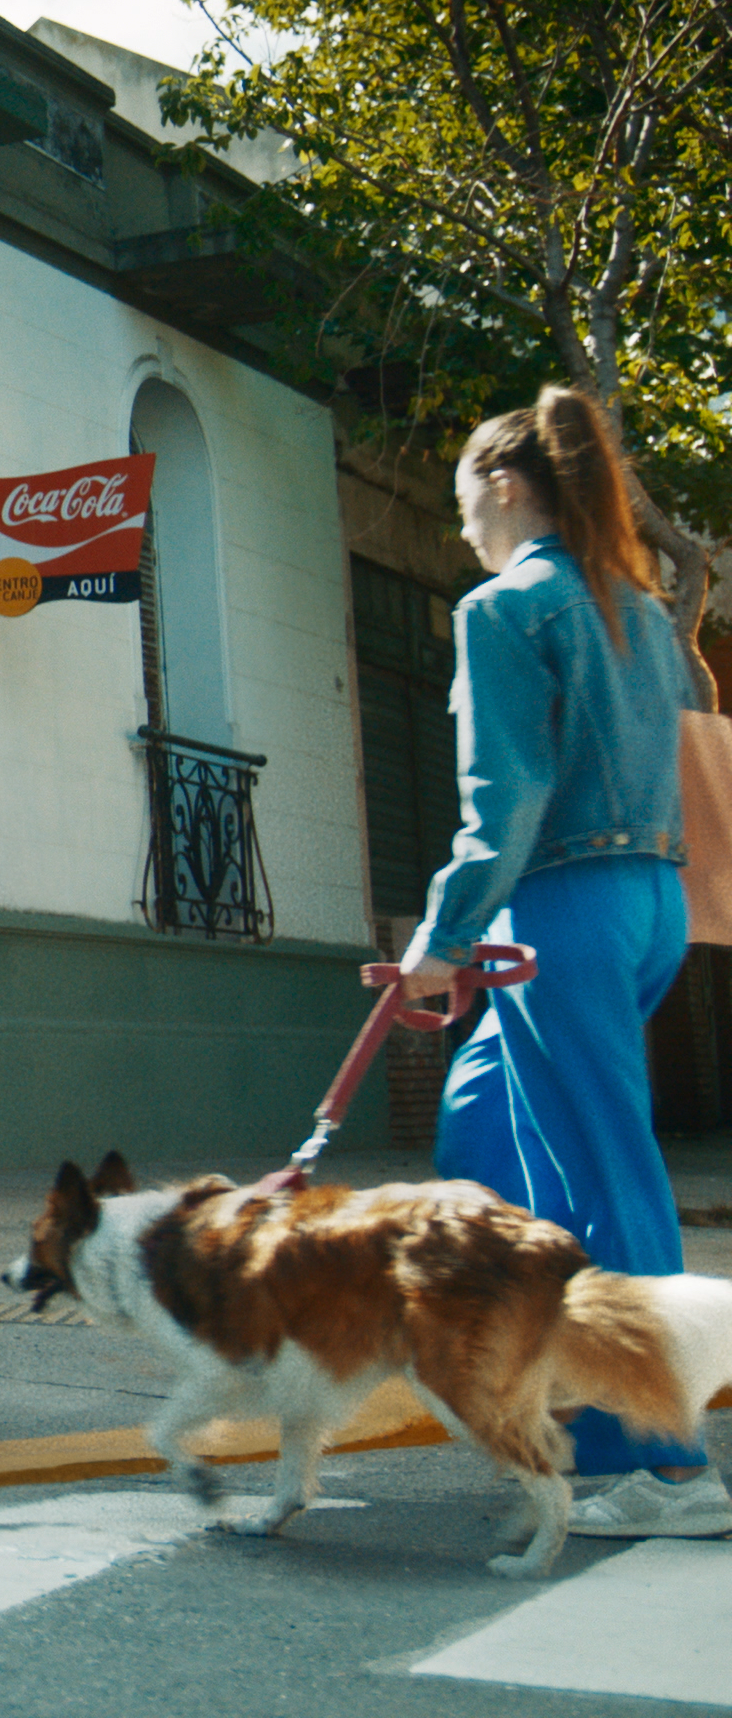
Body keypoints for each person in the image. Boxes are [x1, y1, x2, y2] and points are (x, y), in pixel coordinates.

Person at [391, 386, 714, 1536]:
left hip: (559, 908)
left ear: (506, 483)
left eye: (462, 497)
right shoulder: (634, 608)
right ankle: (562, 1413)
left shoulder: (506, 607)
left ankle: (676, 1468)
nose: (459, 521)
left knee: (606, 1174)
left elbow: (505, 797)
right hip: (645, 901)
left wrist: (441, 942)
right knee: (482, 1137)